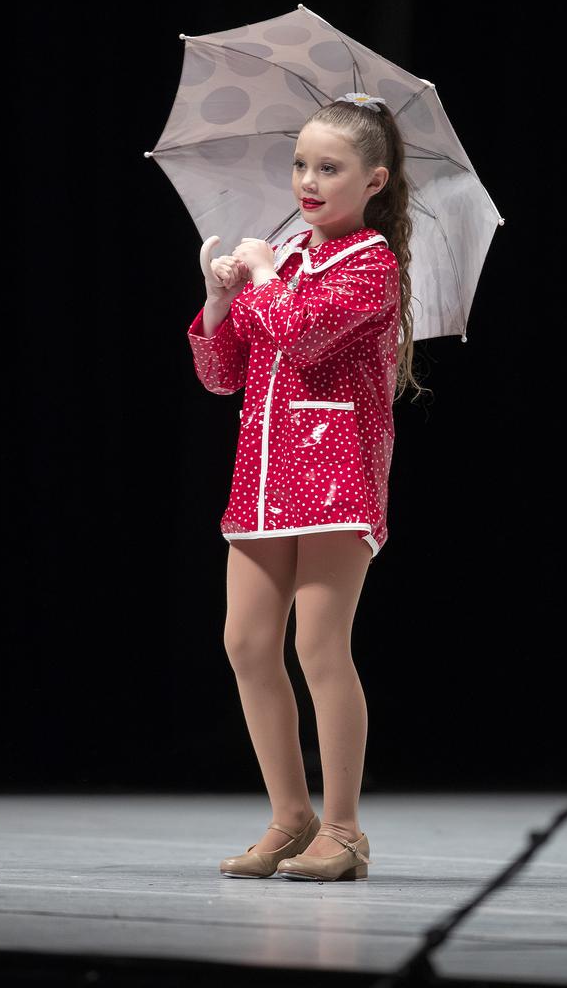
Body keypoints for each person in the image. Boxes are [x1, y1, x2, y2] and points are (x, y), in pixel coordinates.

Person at [186, 93, 423, 882]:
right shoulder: (286, 257)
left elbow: (304, 335)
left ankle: (346, 829)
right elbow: (224, 377)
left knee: (319, 645)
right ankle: (291, 818)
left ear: (375, 180)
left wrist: (258, 277)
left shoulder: (372, 265)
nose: (308, 182)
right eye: (300, 165)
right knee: (247, 643)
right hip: (260, 474)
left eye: (330, 168)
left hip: (333, 474)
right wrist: (221, 302)